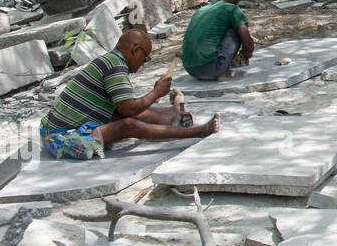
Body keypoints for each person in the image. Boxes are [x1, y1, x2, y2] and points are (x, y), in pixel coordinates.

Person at [39, 29, 219, 160]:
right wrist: (156, 92)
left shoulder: (109, 60)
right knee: (128, 125)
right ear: (135, 50)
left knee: (128, 113)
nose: (144, 63)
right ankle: (197, 132)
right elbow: (129, 109)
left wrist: (159, 97)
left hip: (53, 132)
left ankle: (173, 115)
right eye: (145, 57)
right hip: (61, 138)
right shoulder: (115, 65)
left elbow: (128, 106)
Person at [182, 0, 255, 81]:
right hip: (210, 69)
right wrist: (246, 55)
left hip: (190, 69)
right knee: (237, 30)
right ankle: (226, 67)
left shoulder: (201, 10)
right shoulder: (232, 9)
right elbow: (248, 44)